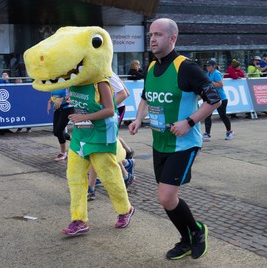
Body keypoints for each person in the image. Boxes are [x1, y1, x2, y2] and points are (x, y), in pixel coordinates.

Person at [128, 18, 221, 261]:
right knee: (167, 200)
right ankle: (186, 240)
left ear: (172, 38)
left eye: (158, 34)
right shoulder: (150, 67)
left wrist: (189, 122)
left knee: (166, 197)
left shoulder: (186, 67)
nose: (152, 39)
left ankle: (197, 231)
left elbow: (215, 99)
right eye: (151, 34)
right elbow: (146, 98)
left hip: (184, 144)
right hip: (160, 143)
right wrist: (138, 119)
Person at [87, 72, 135, 200]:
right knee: (100, 147)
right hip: (102, 114)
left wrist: (106, 108)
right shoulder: (93, 72)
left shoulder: (107, 73)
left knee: (101, 147)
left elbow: (124, 93)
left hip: (111, 113)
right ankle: (126, 164)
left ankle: (91, 187)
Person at [203, 60, 234, 141]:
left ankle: (229, 132)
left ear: (214, 66)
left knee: (223, 115)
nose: (207, 67)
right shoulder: (207, 74)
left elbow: (220, 85)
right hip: (211, 98)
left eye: (209, 66)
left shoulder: (216, 73)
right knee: (207, 115)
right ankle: (207, 134)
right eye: (206, 66)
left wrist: (210, 82)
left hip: (221, 98)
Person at [46, 88, 74, 161]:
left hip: (67, 108)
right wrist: (49, 102)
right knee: (56, 132)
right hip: (58, 108)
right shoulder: (54, 83)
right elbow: (53, 95)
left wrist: (63, 99)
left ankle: (63, 153)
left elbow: (73, 92)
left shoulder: (66, 81)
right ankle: (72, 138)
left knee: (58, 131)